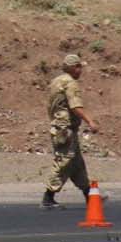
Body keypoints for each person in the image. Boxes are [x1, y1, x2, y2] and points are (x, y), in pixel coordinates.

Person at [43, 52, 100, 209]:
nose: (80, 70)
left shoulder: (56, 81)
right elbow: (75, 106)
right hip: (65, 128)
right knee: (64, 160)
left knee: (77, 164)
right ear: (73, 68)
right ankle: (48, 198)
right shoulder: (70, 83)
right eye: (79, 67)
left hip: (60, 126)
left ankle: (90, 196)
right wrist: (90, 121)